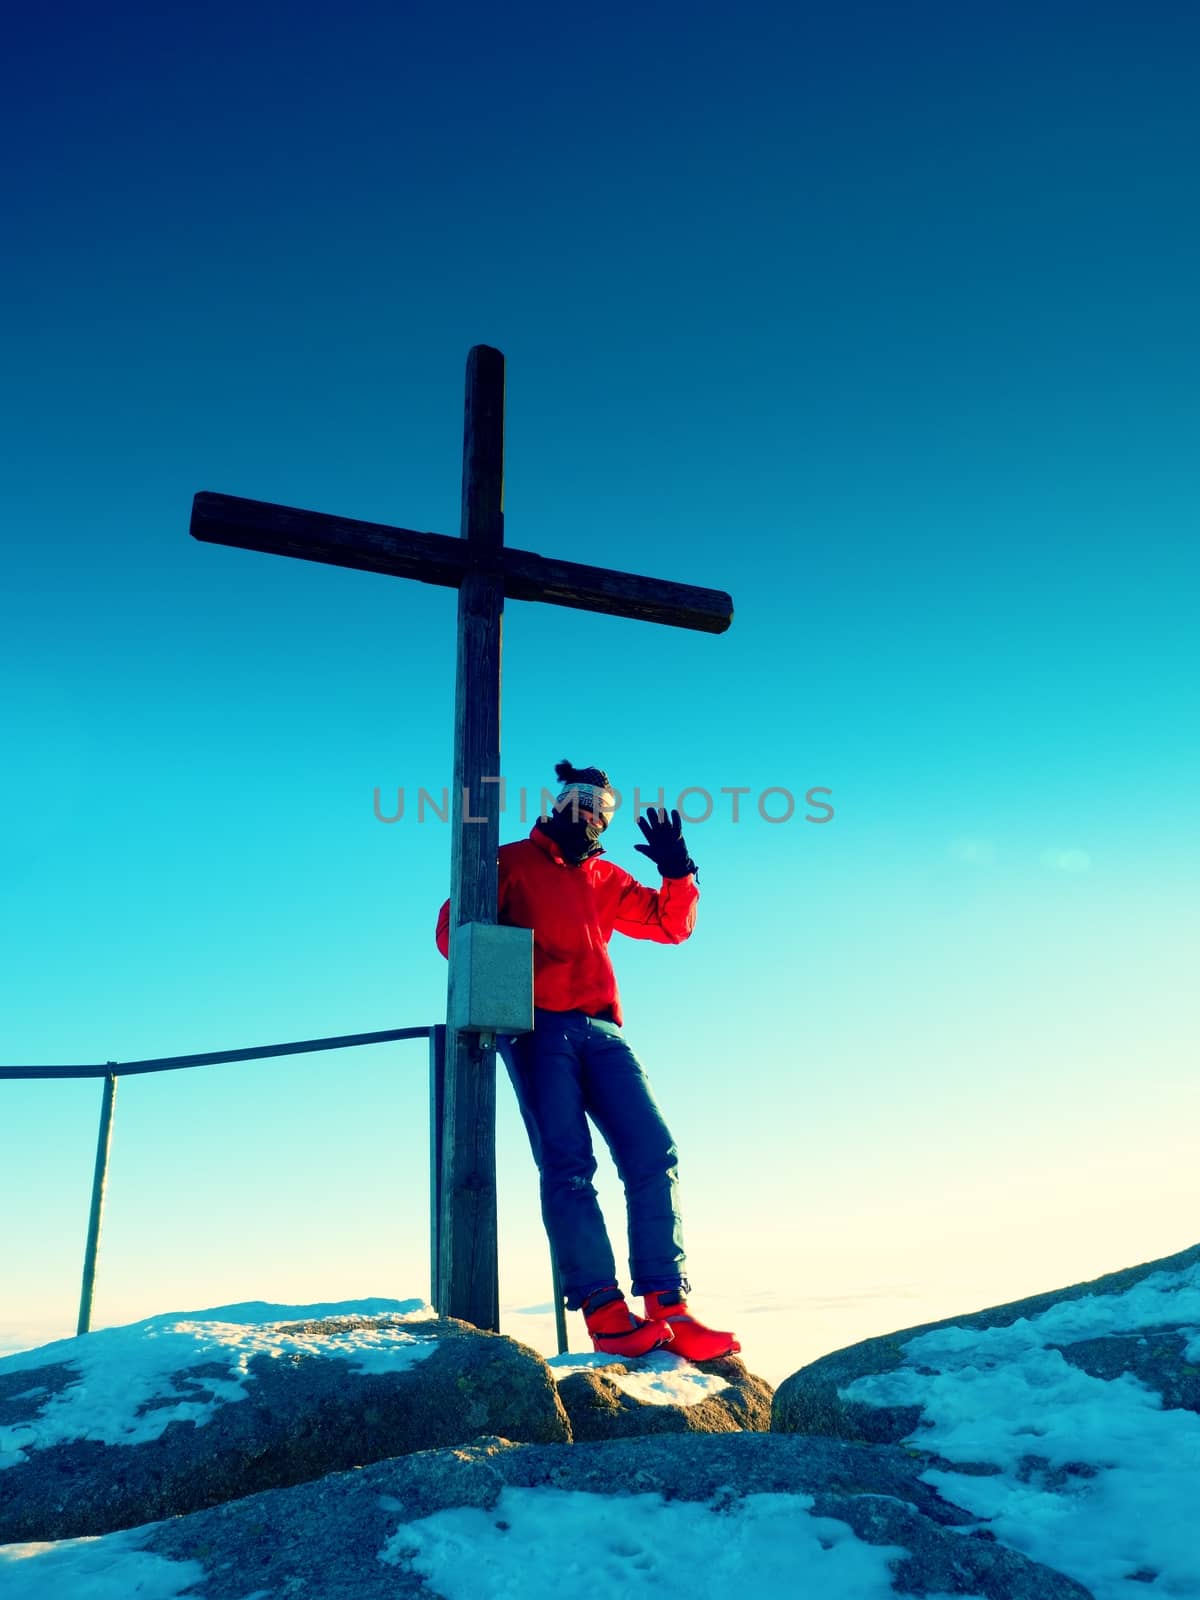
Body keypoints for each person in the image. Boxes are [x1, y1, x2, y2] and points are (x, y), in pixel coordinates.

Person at [436, 758, 740, 1361]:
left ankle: (668, 1308)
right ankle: (605, 1312)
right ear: (555, 804)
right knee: (570, 1166)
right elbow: (454, 932)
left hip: (603, 1031)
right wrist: (510, 983)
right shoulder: (507, 861)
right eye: (576, 799)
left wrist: (680, 872)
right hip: (538, 1030)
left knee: (655, 1152)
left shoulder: (607, 877)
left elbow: (669, 925)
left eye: (600, 806)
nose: (588, 812)